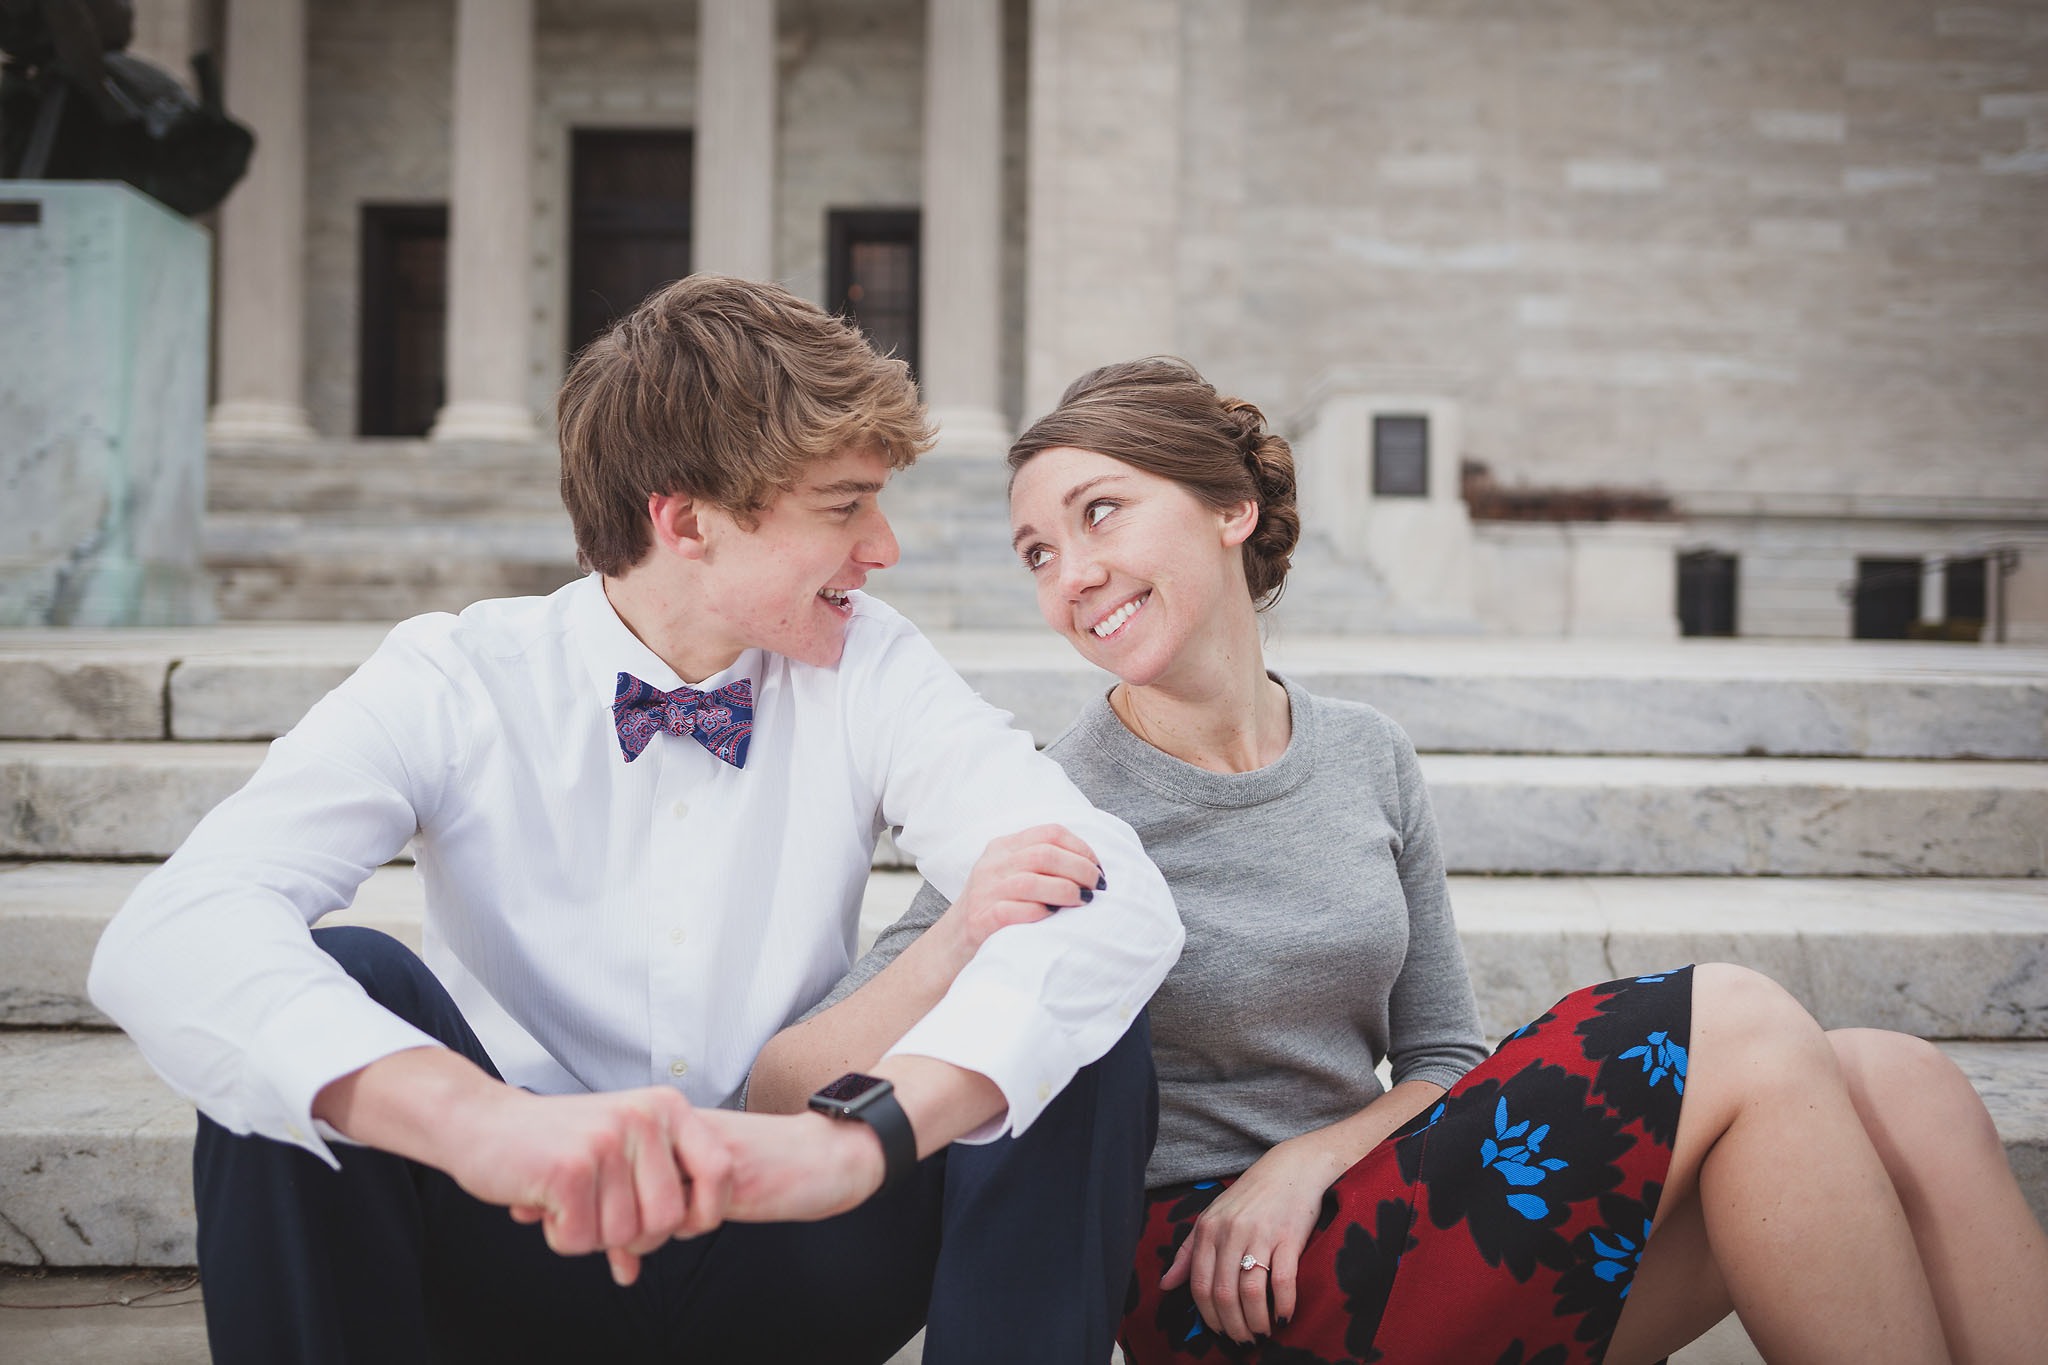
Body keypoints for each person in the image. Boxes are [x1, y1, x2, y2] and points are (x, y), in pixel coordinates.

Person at [749, 357, 2048, 1364]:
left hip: (1369, 1204)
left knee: (1900, 1077)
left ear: (1229, 510)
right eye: (1041, 552)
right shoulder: (1055, 799)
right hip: (1230, 1287)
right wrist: (970, 928)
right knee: (1749, 1024)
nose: (1073, 575)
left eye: (1100, 514)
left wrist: (1310, 1154)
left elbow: (1444, 1062)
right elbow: (792, 1080)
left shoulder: (1367, 755)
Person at [87, 279, 1186, 1365]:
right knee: (348, 979)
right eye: (844, 505)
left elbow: (1114, 896)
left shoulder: (871, 662)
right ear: (686, 520)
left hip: (793, 1231)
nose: (883, 546)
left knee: (1072, 1015)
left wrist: (861, 1145)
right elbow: (175, 930)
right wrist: (481, 1126)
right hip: (511, 1238)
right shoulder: (457, 673)